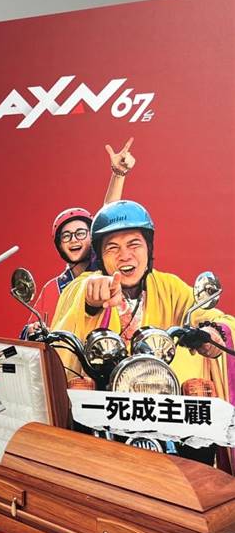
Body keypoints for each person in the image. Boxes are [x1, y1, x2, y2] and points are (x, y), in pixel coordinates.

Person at [51, 200, 235, 462]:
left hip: (162, 407)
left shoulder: (169, 286)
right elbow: (80, 299)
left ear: (149, 248)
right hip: (105, 409)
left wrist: (211, 334)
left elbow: (210, 315)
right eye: (112, 247)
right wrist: (92, 301)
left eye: (134, 244)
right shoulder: (84, 284)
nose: (125, 256)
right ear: (100, 256)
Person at [25, 139, 136, 333]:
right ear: (59, 245)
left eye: (80, 233)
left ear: (93, 237)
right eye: (66, 236)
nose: (74, 239)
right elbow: (28, 332)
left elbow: (108, 215)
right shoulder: (52, 288)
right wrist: (32, 330)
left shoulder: (107, 270)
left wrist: (118, 174)